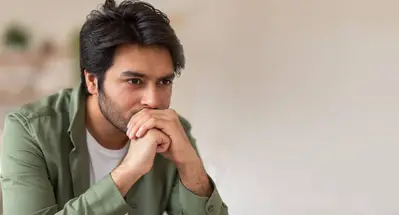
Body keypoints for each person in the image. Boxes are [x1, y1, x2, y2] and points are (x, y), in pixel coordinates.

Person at [0, 0, 228, 214]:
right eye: (134, 81)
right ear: (91, 81)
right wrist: (127, 172)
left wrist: (190, 165)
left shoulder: (173, 131)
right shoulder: (29, 131)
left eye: (164, 82)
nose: (153, 101)